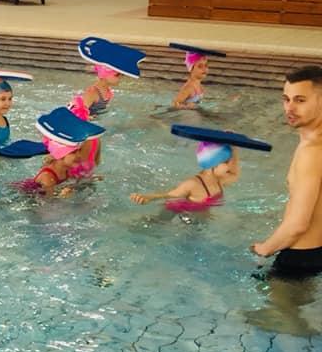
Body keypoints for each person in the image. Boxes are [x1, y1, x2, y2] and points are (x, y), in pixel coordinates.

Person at [252, 66, 322, 277]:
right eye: (286, 99)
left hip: (298, 258)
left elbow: (298, 224)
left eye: (300, 100)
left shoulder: (311, 153)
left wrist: (264, 249)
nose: (289, 108)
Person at [130, 142, 239, 212]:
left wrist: (234, 147)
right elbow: (169, 195)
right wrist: (149, 197)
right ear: (213, 164)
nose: (230, 166)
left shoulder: (220, 181)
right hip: (177, 212)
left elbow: (235, 173)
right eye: (226, 162)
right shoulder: (193, 184)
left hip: (199, 215)